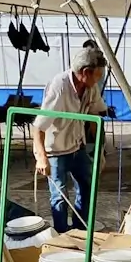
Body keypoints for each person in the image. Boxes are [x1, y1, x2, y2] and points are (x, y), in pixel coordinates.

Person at [33, 48, 108, 233]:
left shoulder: (91, 88)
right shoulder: (60, 87)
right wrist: (41, 157)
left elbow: (95, 115)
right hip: (56, 150)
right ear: (85, 73)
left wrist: (100, 151)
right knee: (59, 195)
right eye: (97, 75)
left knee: (87, 185)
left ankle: (80, 230)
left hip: (77, 145)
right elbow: (38, 127)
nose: (99, 79)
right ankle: (61, 235)